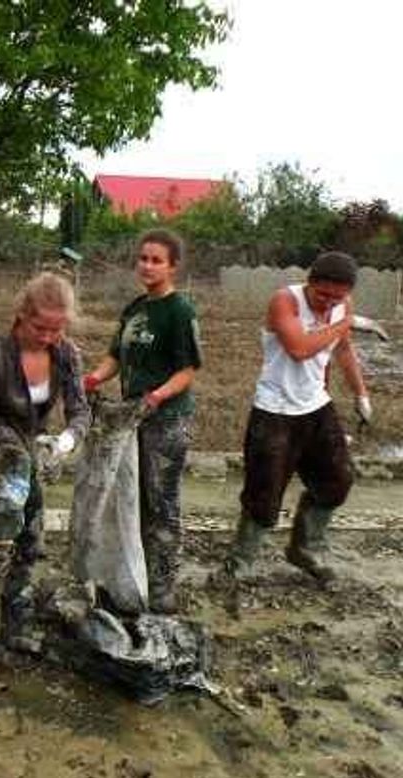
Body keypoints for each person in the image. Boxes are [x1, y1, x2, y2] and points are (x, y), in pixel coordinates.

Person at [218, 252, 371, 612]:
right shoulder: (285, 300)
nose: (329, 302)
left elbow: (343, 348)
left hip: (316, 406)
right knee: (264, 492)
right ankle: (239, 564)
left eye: (338, 297)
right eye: (323, 295)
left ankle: (305, 548)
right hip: (274, 411)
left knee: (338, 480)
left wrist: (361, 394)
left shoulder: (342, 306)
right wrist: (346, 322)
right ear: (309, 282)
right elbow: (300, 349)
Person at [0, 273, 89, 655]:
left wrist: (65, 441)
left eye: (56, 329)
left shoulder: (65, 354)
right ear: (22, 315)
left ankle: (17, 623)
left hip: (27, 457)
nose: (47, 337)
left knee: (30, 541)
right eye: (39, 327)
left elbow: (81, 412)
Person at [83, 229, 202, 614]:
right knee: (132, 498)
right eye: (143, 258)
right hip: (131, 418)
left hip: (167, 420)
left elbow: (187, 371)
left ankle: (163, 584)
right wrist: (94, 378)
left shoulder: (179, 311)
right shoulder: (135, 308)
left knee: (161, 502)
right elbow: (115, 357)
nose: (147, 266)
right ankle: (134, 577)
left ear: (173, 267)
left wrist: (156, 396)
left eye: (156, 260)